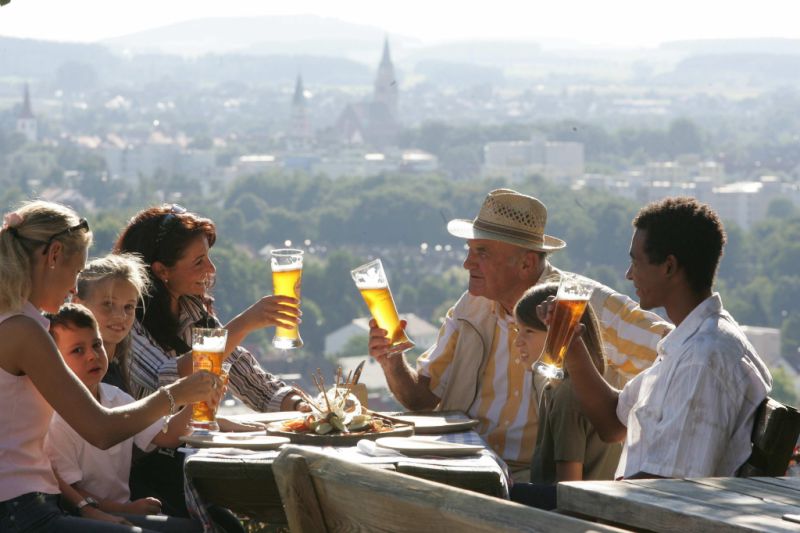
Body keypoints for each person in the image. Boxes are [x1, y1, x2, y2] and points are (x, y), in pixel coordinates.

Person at [369, 189, 670, 478]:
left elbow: (678, 355)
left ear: (526, 263)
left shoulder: (581, 305)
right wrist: (391, 361)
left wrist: (638, 446)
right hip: (468, 467)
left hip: (540, 482)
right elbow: (420, 398)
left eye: (481, 253)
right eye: (470, 251)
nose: (466, 263)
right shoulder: (471, 306)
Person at [0, 200, 216, 532]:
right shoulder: (22, 330)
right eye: (75, 273)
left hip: (39, 502)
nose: (74, 288)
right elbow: (101, 430)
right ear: (54, 255)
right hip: (22, 511)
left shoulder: (21, 324)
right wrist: (176, 393)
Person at [113, 204, 306, 520]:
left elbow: (251, 380)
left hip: (187, 465)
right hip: (140, 483)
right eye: (199, 261)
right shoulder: (126, 319)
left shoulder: (193, 312)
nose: (211, 269)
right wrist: (244, 323)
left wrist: (300, 407)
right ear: (162, 271)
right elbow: (167, 380)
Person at [563, 196, 772, 479]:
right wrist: (572, 345)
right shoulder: (690, 341)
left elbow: (671, 487)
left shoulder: (704, 358)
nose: (628, 275)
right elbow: (612, 422)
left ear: (669, 267)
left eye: (636, 263)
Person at [45, 304, 203, 532]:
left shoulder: (115, 396)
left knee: (207, 525)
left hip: (123, 508)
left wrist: (201, 399)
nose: (92, 355)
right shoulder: (56, 416)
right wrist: (125, 509)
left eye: (96, 344)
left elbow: (167, 436)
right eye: (77, 350)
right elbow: (70, 493)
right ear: (54, 360)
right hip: (87, 516)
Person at [509, 283, 622, 509]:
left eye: (528, 331)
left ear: (558, 334)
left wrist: (505, 490)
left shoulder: (566, 396)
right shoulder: (593, 380)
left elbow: (568, 494)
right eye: (517, 331)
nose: (517, 341)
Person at [72, 253, 151, 392]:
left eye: (129, 307)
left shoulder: (117, 367)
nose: (121, 316)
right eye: (108, 304)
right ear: (78, 304)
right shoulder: (78, 372)